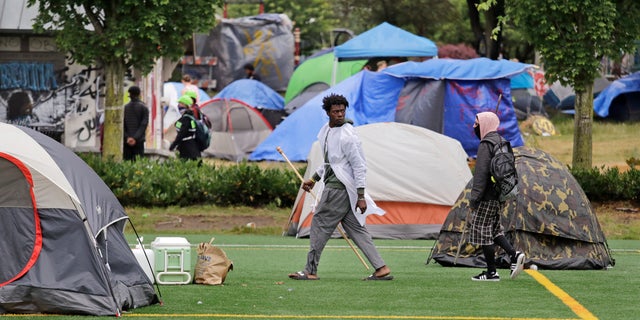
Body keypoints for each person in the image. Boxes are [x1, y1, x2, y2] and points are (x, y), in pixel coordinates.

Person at [288, 93, 392, 281]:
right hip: (337, 188)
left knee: (319, 224)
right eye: (335, 111)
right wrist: (314, 178)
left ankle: (310, 270)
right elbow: (331, 162)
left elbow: (359, 166)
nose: (339, 114)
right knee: (356, 229)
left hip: (338, 190)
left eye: (342, 111)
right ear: (327, 112)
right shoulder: (326, 131)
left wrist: (360, 195)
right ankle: (381, 268)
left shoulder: (348, 136)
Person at [468, 111, 525, 281]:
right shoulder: (501, 142)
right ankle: (514, 255)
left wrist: (474, 198)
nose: (474, 126)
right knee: (493, 230)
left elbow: (481, 174)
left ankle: (491, 272)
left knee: (483, 231)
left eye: (476, 122)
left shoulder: (486, 143)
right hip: (500, 193)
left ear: (484, 124)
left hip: (486, 196)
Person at [169, 95, 200, 161]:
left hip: (188, 148)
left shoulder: (186, 118)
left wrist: (173, 146)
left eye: (180, 103)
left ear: (185, 105)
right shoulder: (188, 116)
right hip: (190, 147)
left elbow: (181, 134)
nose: (178, 105)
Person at [123, 86, 149, 161]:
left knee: (126, 164)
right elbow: (143, 124)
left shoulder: (125, 108)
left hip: (126, 142)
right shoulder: (144, 108)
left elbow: (122, 125)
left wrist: (127, 137)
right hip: (139, 141)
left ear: (130, 95)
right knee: (138, 164)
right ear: (139, 94)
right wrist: (135, 138)